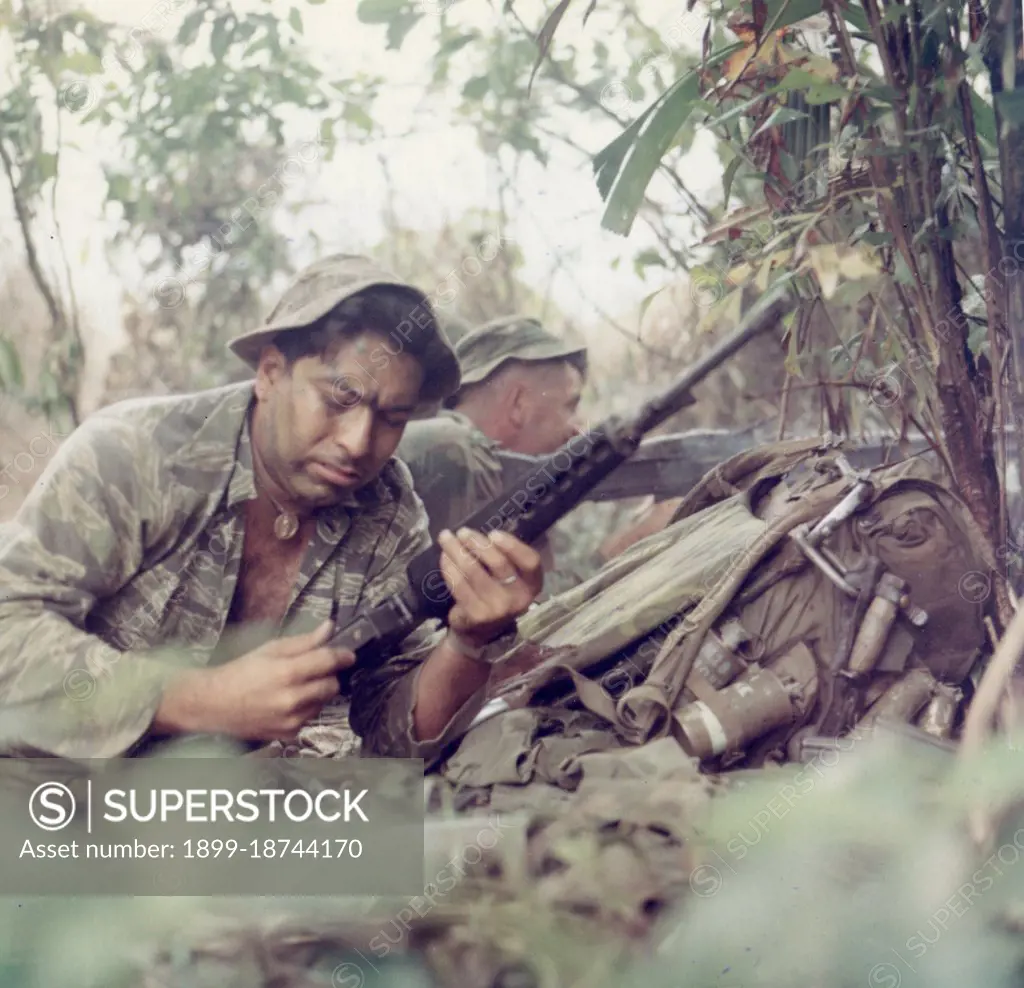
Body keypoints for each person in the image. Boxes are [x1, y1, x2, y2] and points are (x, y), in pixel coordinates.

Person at [0, 254, 543, 763]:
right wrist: (196, 697)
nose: (358, 442)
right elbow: (8, 627)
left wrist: (468, 643)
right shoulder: (135, 455)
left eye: (393, 418)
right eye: (338, 399)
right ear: (270, 373)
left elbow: (393, 731)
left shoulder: (391, 516)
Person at [396, 315, 587, 542]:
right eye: (570, 407)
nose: (579, 430)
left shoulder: (491, 480)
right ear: (519, 404)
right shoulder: (453, 448)